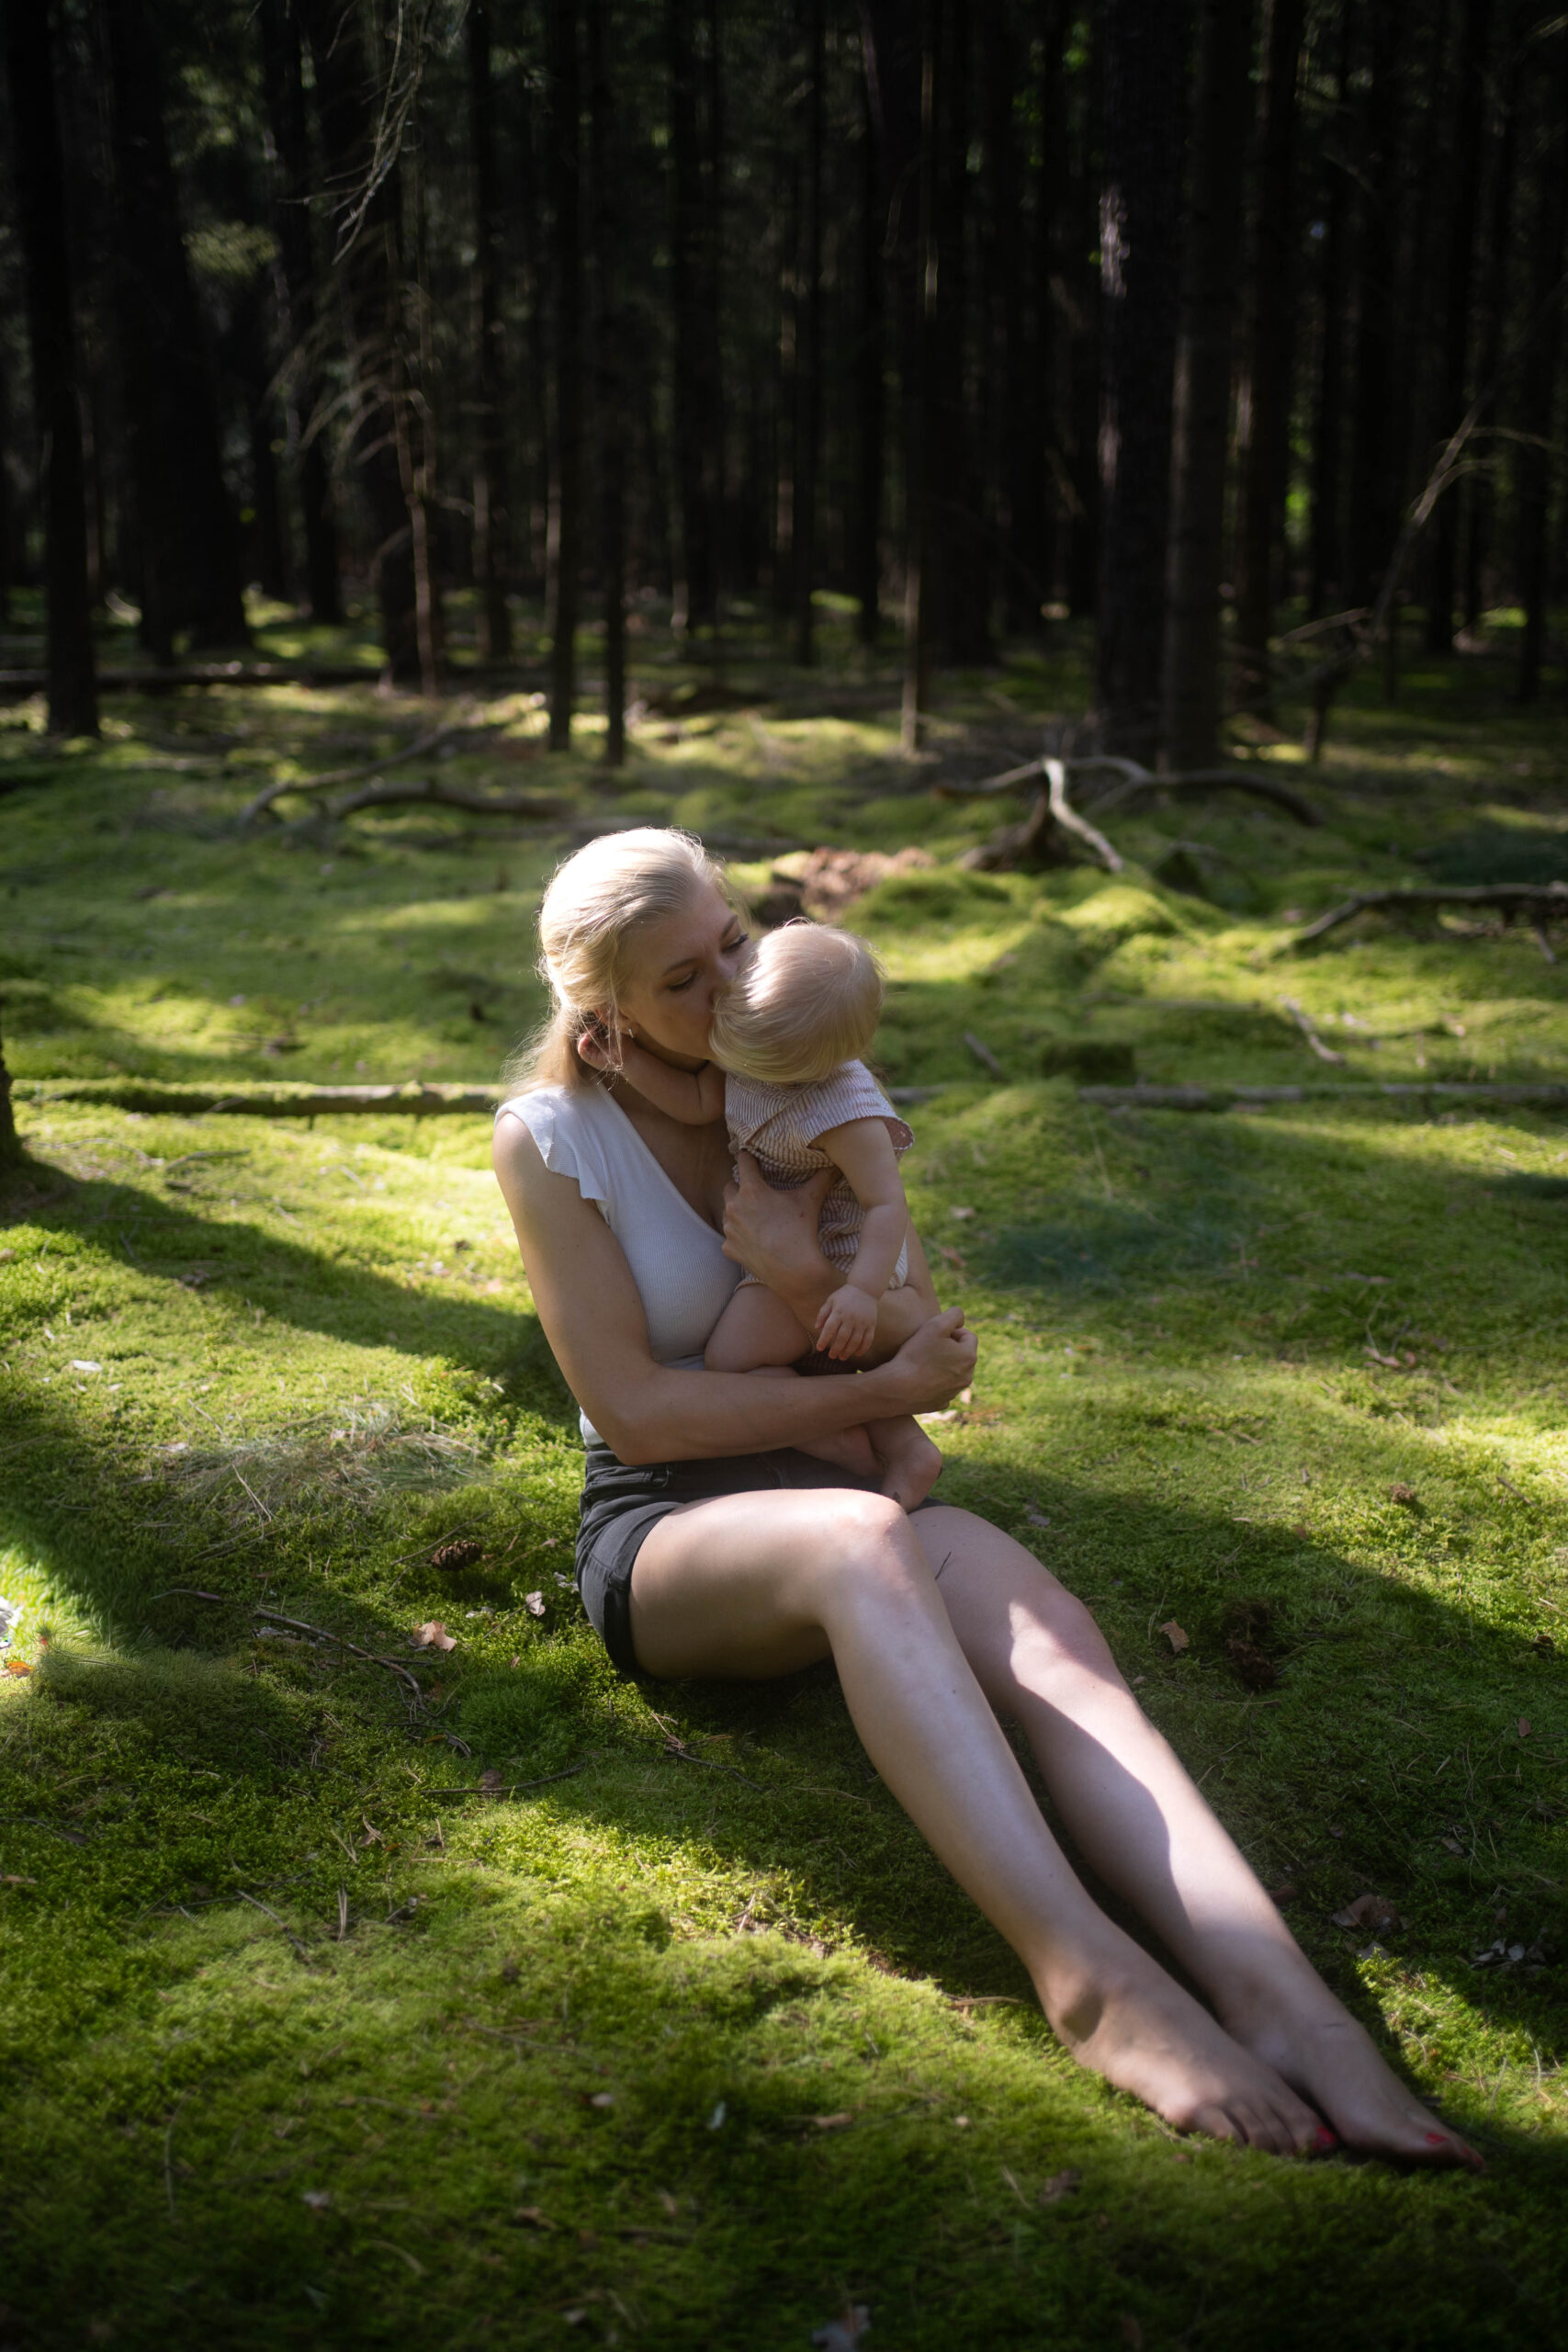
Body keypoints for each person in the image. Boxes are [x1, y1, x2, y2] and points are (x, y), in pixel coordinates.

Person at [491, 826, 1478, 2168]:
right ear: (599, 1019)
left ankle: (1279, 1996)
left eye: (730, 939)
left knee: (1050, 1636)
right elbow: (641, 1412)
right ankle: (1088, 1981)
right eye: (682, 979)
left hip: (836, 1477)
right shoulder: (550, 1139)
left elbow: (916, 1324)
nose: (729, 983)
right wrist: (865, 1384)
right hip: (669, 1528)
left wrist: (795, 1278)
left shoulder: (793, 1068)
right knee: (861, 1540)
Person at [576, 918, 940, 1509]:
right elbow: (698, 1104)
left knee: (734, 1359)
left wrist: (862, 1293)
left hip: (841, 1256)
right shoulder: (763, 1045)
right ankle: (906, 1447)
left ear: (818, 1063)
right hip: (784, 1241)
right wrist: (624, 1061)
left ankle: (838, 1443)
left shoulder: (845, 1110)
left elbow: (885, 1203)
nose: (729, 1060)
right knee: (819, 1368)